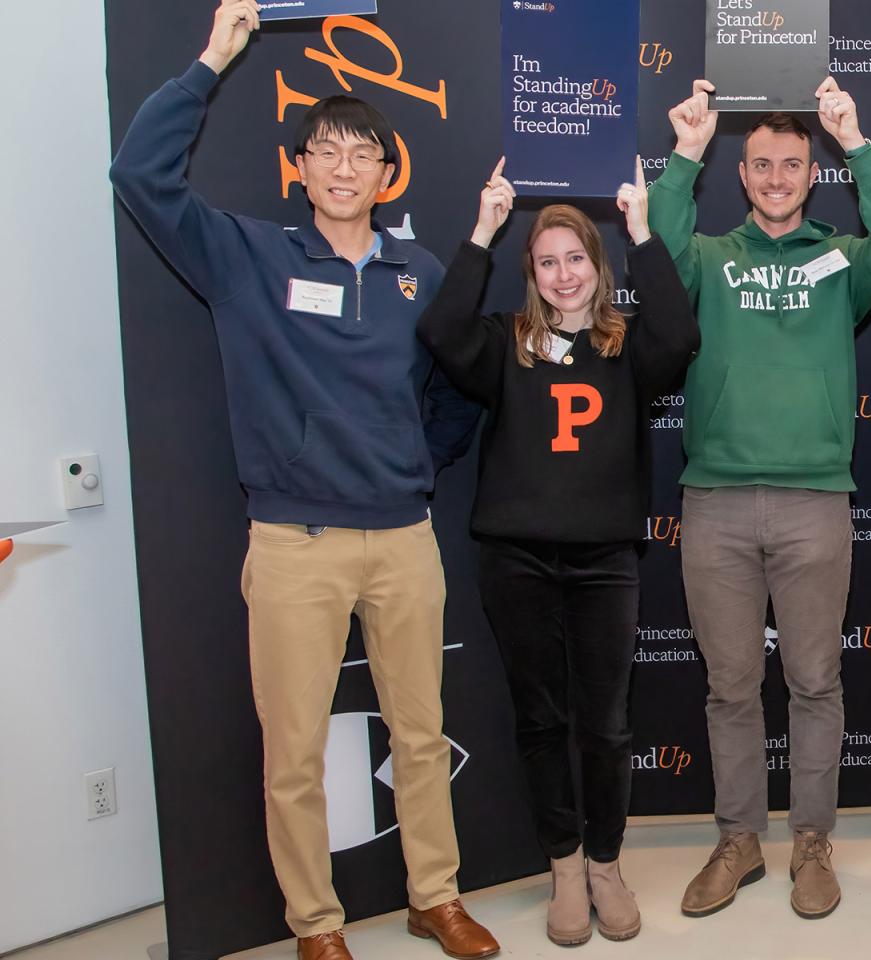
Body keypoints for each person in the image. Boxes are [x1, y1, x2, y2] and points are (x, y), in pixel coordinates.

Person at [107, 3, 495, 959]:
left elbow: (462, 387)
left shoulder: (419, 271)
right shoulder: (250, 258)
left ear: (384, 170)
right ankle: (316, 924)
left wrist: (414, 459)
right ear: (301, 168)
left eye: (361, 152)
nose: (342, 167)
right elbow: (140, 177)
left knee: (419, 732)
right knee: (295, 754)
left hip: (404, 539)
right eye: (323, 151)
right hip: (294, 545)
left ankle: (433, 896)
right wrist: (212, 60)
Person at [647, 77, 871, 920]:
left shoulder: (839, 260)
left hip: (814, 503)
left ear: (813, 175)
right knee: (731, 688)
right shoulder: (709, 256)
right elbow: (653, 254)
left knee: (814, 682)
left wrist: (857, 140)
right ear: (741, 176)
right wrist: (686, 153)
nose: (776, 177)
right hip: (716, 505)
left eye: (792, 165)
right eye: (761, 164)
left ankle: (812, 841)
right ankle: (739, 839)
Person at [416, 157, 698, 946]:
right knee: (542, 720)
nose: (564, 273)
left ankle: (607, 863)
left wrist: (642, 229)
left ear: (595, 266)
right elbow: (438, 330)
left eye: (577, 258)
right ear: (531, 273)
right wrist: (482, 228)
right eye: (547, 261)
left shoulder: (625, 347)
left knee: (606, 724)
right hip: (516, 560)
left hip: (605, 560)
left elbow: (680, 334)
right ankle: (564, 867)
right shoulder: (503, 343)